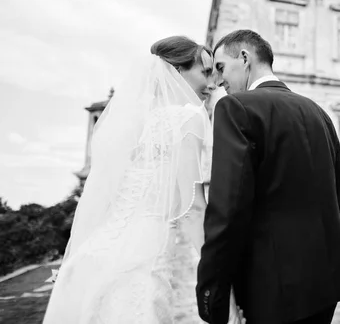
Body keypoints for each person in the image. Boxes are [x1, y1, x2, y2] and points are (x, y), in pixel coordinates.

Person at [43, 36, 243, 324]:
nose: (212, 84)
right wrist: (219, 282)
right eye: (205, 72)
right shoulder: (188, 119)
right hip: (142, 261)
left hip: (97, 254)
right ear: (176, 72)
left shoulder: (134, 124)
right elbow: (193, 209)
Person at [196, 30, 340, 324]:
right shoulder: (319, 112)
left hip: (271, 289)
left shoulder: (236, 107)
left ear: (245, 58)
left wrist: (212, 296)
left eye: (221, 68)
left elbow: (227, 210)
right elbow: (335, 199)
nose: (219, 81)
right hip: (327, 284)